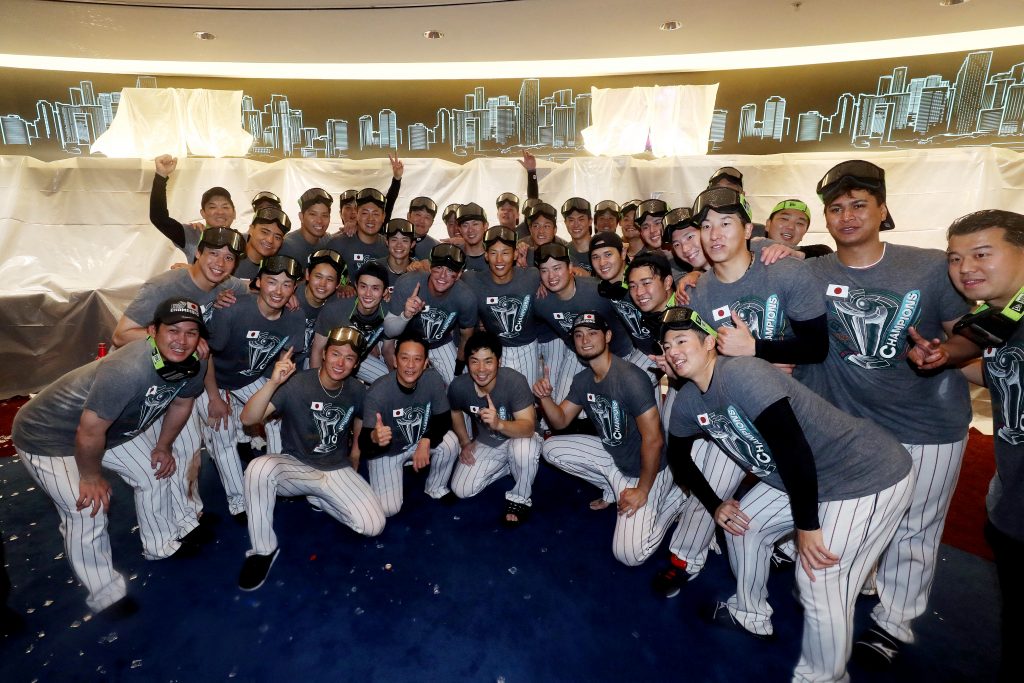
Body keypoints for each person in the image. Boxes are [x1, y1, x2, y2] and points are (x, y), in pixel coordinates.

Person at [659, 306, 914, 682]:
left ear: (710, 343)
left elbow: (793, 448)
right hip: (800, 478)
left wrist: (806, 527)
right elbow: (678, 457)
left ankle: (823, 677)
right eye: (666, 345)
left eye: (682, 340)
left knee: (819, 579)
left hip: (864, 473)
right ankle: (750, 616)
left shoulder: (742, 373)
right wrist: (715, 505)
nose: (673, 350)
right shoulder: (688, 401)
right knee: (742, 525)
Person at [793, 160, 977, 669]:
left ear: (883, 209)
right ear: (825, 219)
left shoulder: (929, 266)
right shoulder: (811, 272)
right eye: (836, 207)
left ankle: (894, 623)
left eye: (859, 204)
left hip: (927, 422)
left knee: (916, 527)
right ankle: (858, 583)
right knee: (845, 518)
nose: (847, 216)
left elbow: (968, 333)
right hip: (850, 426)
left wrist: (948, 353)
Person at [650, 186, 829, 598]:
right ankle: (685, 558)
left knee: (808, 489)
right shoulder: (702, 290)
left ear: (749, 229)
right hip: (736, 407)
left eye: (726, 223)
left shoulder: (781, 268)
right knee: (712, 482)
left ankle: (797, 547)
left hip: (796, 402)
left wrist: (760, 350)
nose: (714, 234)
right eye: (706, 226)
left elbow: (816, 347)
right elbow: (711, 353)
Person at [12, 298, 212, 614]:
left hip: (111, 429)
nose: (182, 340)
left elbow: (181, 403)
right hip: (48, 435)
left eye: (191, 332)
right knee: (87, 508)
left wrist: (163, 446)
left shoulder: (195, 364)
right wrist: (91, 478)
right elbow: (88, 432)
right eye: (173, 330)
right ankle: (105, 593)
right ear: (151, 331)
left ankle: (160, 545)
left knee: (154, 470)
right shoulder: (127, 369)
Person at [237, 327, 386, 591]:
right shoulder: (297, 383)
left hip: (334, 469)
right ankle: (262, 551)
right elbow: (248, 419)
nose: (341, 362)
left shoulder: (356, 390)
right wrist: (273, 382)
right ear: (325, 354)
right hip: (297, 467)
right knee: (258, 469)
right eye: (336, 354)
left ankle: (319, 497)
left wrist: (354, 452)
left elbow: (361, 417)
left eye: (349, 358)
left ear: (356, 364)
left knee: (373, 525)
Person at [533, 311, 684, 566]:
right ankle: (615, 488)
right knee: (550, 449)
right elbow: (560, 421)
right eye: (579, 335)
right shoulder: (583, 380)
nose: (585, 339)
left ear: (608, 336)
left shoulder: (630, 378)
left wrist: (643, 490)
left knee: (630, 555)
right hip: (616, 457)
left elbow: (655, 441)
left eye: (593, 333)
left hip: (649, 469)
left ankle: (674, 501)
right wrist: (545, 397)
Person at [945, 209, 1024, 682]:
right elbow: (1000, 375)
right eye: (956, 258)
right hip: (1011, 509)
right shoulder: (999, 317)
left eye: (981, 254)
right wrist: (943, 360)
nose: (965, 268)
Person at [197, 255, 307, 520]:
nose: (278, 291)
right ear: (258, 282)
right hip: (213, 379)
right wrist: (214, 397)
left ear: (294, 288)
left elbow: (285, 359)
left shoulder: (295, 315)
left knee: (277, 419)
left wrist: (276, 397)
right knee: (223, 434)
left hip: (249, 377)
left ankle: (278, 480)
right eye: (272, 282)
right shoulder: (232, 309)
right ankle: (238, 501)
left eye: (286, 284)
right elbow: (207, 355)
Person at [358, 332, 460, 516]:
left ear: (425, 363)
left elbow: (444, 419)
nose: (411, 366)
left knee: (451, 443)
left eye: (417, 359)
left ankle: (435, 487)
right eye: (404, 358)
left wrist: (427, 439)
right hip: (387, 450)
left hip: (418, 441)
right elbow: (364, 445)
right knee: (389, 510)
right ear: (395, 361)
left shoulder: (432, 380)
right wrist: (375, 437)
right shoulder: (378, 392)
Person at [447, 331, 541, 526]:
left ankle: (519, 498)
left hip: (520, 437)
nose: (481, 369)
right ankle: (510, 466)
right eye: (474, 361)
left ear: (499, 360)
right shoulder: (459, 386)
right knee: (461, 489)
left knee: (524, 450)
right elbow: (455, 412)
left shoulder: (514, 381)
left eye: (488, 361)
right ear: (467, 362)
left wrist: (499, 424)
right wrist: (465, 441)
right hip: (488, 441)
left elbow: (528, 428)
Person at [533, 243, 633, 405]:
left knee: (618, 403)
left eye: (557, 268)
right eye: (544, 271)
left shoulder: (597, 291)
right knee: (561, 403)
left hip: (618, 354)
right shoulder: (541, 300)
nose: (551, 276)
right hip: (579, 355)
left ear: (570, 267)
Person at [384, 244, 477, 383]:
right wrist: (406, 315)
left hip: (439, 342)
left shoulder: (466, 297)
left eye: (450, 270)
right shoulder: (408, 283)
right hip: (407, 341)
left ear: (458, 275)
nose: (442, 276)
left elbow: (466, 339)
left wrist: (457, 373)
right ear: (430, 267)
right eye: (438, 268)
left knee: (459, 384)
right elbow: (389, 332)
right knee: (403, 383)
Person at [466, 226, 541, 386]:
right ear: (486, 255)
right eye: (493, 253)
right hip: (496, 350)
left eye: (505, 252)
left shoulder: (533, 276)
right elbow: (446, 277)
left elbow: (559, 273)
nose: (499, 260)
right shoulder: (473, 280)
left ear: (515, 254)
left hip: (527, 348)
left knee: (527, 400)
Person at [311, 262, 391, 384]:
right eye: (363, 286)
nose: (368, 294)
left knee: (387, 381)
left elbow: (388, 350)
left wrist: (395, 380)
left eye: (375, 288)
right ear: (356, 286)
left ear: (385, 292)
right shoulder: (334, 310)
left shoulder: (388, 313)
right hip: (331, 358)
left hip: (358, 358)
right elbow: (317, 350)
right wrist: (315, 385)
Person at [149, 154, 236, 263]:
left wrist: (192, 269)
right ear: (203, 213)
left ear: (234, 213)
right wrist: (161, 177)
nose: (219, 212)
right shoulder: (193, 235)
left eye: (225, 207)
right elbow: (159, 218)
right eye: (212, 207)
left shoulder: (243, 241)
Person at [295, 249, 345, 361]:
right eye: (318, 276)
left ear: (337, 284)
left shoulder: (337, 302)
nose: (323, 284)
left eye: (330, 279)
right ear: (307, 274)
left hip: (313, 358)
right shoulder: (289, 297)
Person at [326, 188, 389, 275]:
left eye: (376, 214)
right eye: (364, 213)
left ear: (383, 217)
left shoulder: (389, 247)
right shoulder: (336, 244)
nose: (370, 219)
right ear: (357, 214)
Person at [707, 166, 766, 238]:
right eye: (717, 189)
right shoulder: (698, 228)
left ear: (742, 195)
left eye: (729, 190)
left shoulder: (759, 232)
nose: (723, 195)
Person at [279, 187, 333, 265]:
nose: (319, 221)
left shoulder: (327, 240)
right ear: (301, 217)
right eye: (313, 214)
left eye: (325, 215)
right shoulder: (287, 247)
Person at [764, 199, 833, 258]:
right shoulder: (754, 248)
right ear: (768, 224)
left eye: (800, 223)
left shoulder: (817, 257)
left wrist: (797, 254)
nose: (791, 227)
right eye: (784, 219)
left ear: (804, 233)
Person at [235, 207, 292, 279]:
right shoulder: (229, 259)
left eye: (277, 237)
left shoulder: (276, 271)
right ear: (251, 230)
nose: (270, 240)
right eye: (264, 232)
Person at [561, 197, 594, 273]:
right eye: (571, 220)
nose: (576, 225)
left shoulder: (602, 248)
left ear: (590, 221)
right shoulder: (563, 253)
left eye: (581, 219)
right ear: (565, 223)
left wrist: (588, 277)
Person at [454, 202, 489, 272]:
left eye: (475, 224)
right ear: (459, 229)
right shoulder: (453, 255)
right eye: (465, 225)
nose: (470, 230)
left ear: (485, 226)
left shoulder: (496, 256)